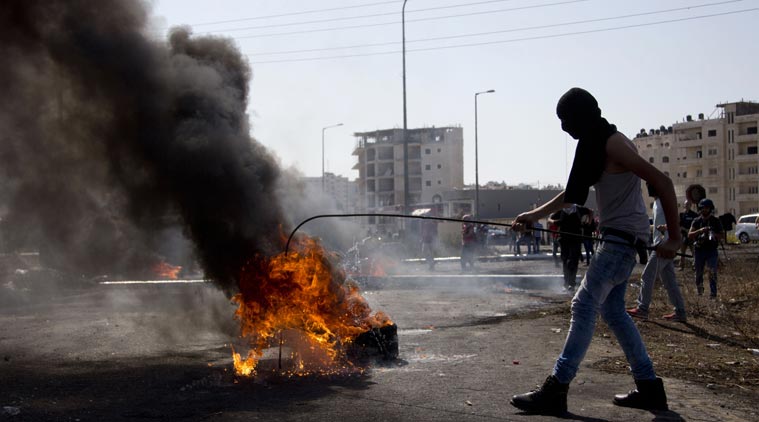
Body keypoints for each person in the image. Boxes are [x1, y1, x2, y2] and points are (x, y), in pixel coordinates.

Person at [509, 87, 680, 415]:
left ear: (581, 116)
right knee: (613, 312)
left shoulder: (613, 143)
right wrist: (533, 216)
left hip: (620, 242)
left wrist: (674, 239)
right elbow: (573, 191)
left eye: (565, 120)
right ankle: (649, 389)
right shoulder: (599, 142)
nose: (563, 129)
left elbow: (664, 182)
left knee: (583, 305)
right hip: (620, 241)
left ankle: (556, 388)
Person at [627, 183, 687, 322]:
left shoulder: (665, 201)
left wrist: (667, 228)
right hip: (660, 243)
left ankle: (642, 309)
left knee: (647, 276)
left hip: (664, 245)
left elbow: (675, 220)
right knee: (669, 281)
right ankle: (680, 312)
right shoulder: (656, 203)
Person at [689, 198, 723, 298]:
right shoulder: (696, 221)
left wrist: (713, 234)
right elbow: (690, 235)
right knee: (698, 271)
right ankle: (700, 290)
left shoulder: (715, 221)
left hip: (711, 250)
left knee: (712, 271)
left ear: (710, 209)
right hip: (699, 250)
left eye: (706, 208)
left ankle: (713, 293)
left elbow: (722, 235)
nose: (704, 210)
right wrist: (700, 231)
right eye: (702, 208)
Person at [548, 205, 582, 291]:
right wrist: (554, 222)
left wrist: (588, 221)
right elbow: (549, 219)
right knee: (565, 261)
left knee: (573, 261)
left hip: (576, 240)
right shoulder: (561, 210)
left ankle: (572, 284)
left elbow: (590, 211)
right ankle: (566, 283)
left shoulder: (578, 209)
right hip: (564, 240)